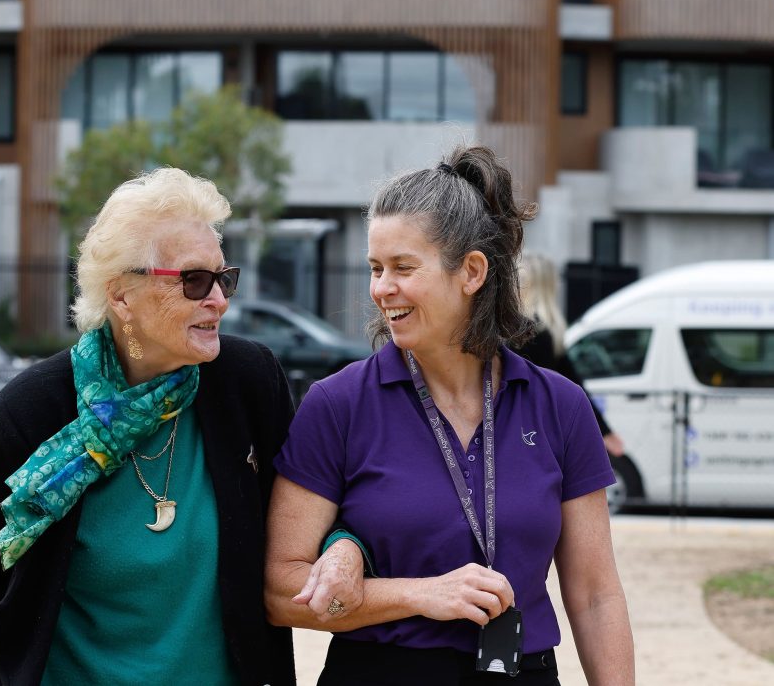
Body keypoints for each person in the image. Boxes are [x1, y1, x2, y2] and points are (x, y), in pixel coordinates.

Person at [265, 146, 635, 685]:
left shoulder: (560, 405)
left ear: (472, 272)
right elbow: (281, 592)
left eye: (403, 268)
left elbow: (596, 594)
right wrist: (420, 593)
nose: (380, 288)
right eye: (375, 268)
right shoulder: (337, 404)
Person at [0, 167, 307, 685]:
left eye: (223, 278)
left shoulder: (246, 382)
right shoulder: (30, 411)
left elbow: (311, 517)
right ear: (122, 295)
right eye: (194, 281)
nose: (219, 299)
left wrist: (348, 547)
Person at [518, 253, 625, 458]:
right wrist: (604, 430)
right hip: (537, 433)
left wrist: (604, 430)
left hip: (523, 433)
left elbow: (571, 381)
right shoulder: (546, 331)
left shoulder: (523, 332)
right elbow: (574, 383)